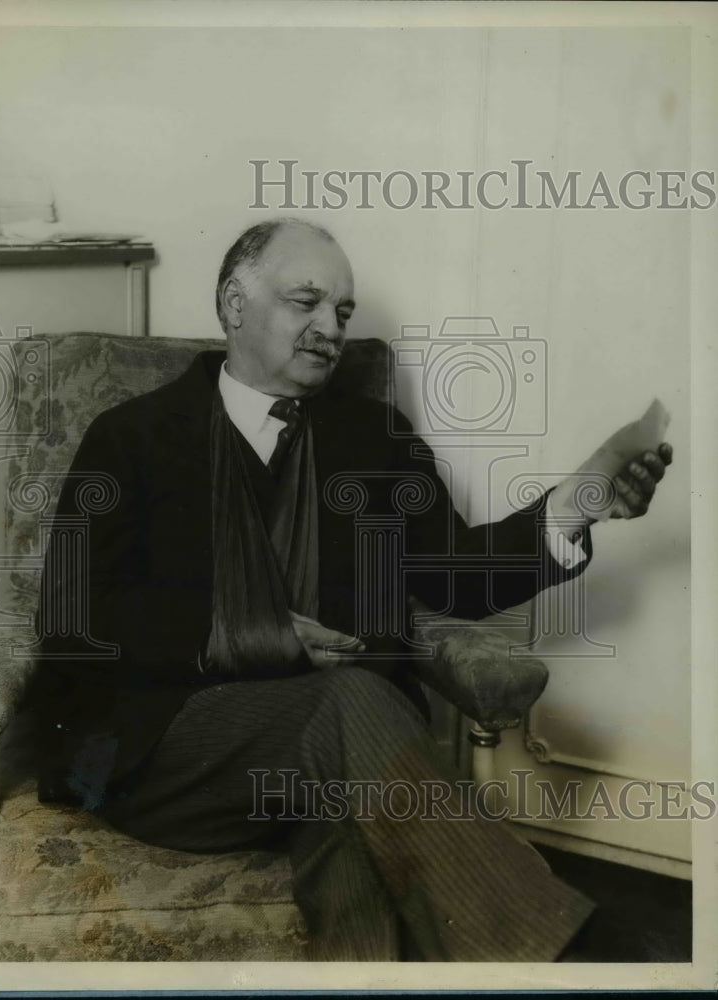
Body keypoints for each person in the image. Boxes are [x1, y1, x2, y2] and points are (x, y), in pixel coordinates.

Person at [34, 218, 672, 962]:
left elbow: (457, 574)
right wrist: (251, 629)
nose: (328, 329)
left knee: (353, 828)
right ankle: (577, 958)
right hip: (164, 753)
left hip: (341, 762)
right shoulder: (132, 437)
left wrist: (577, 506)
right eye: (305, 301)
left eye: (341, 313)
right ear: (235, 305)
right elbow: (74, 617)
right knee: (352, 703)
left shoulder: (376, 439)